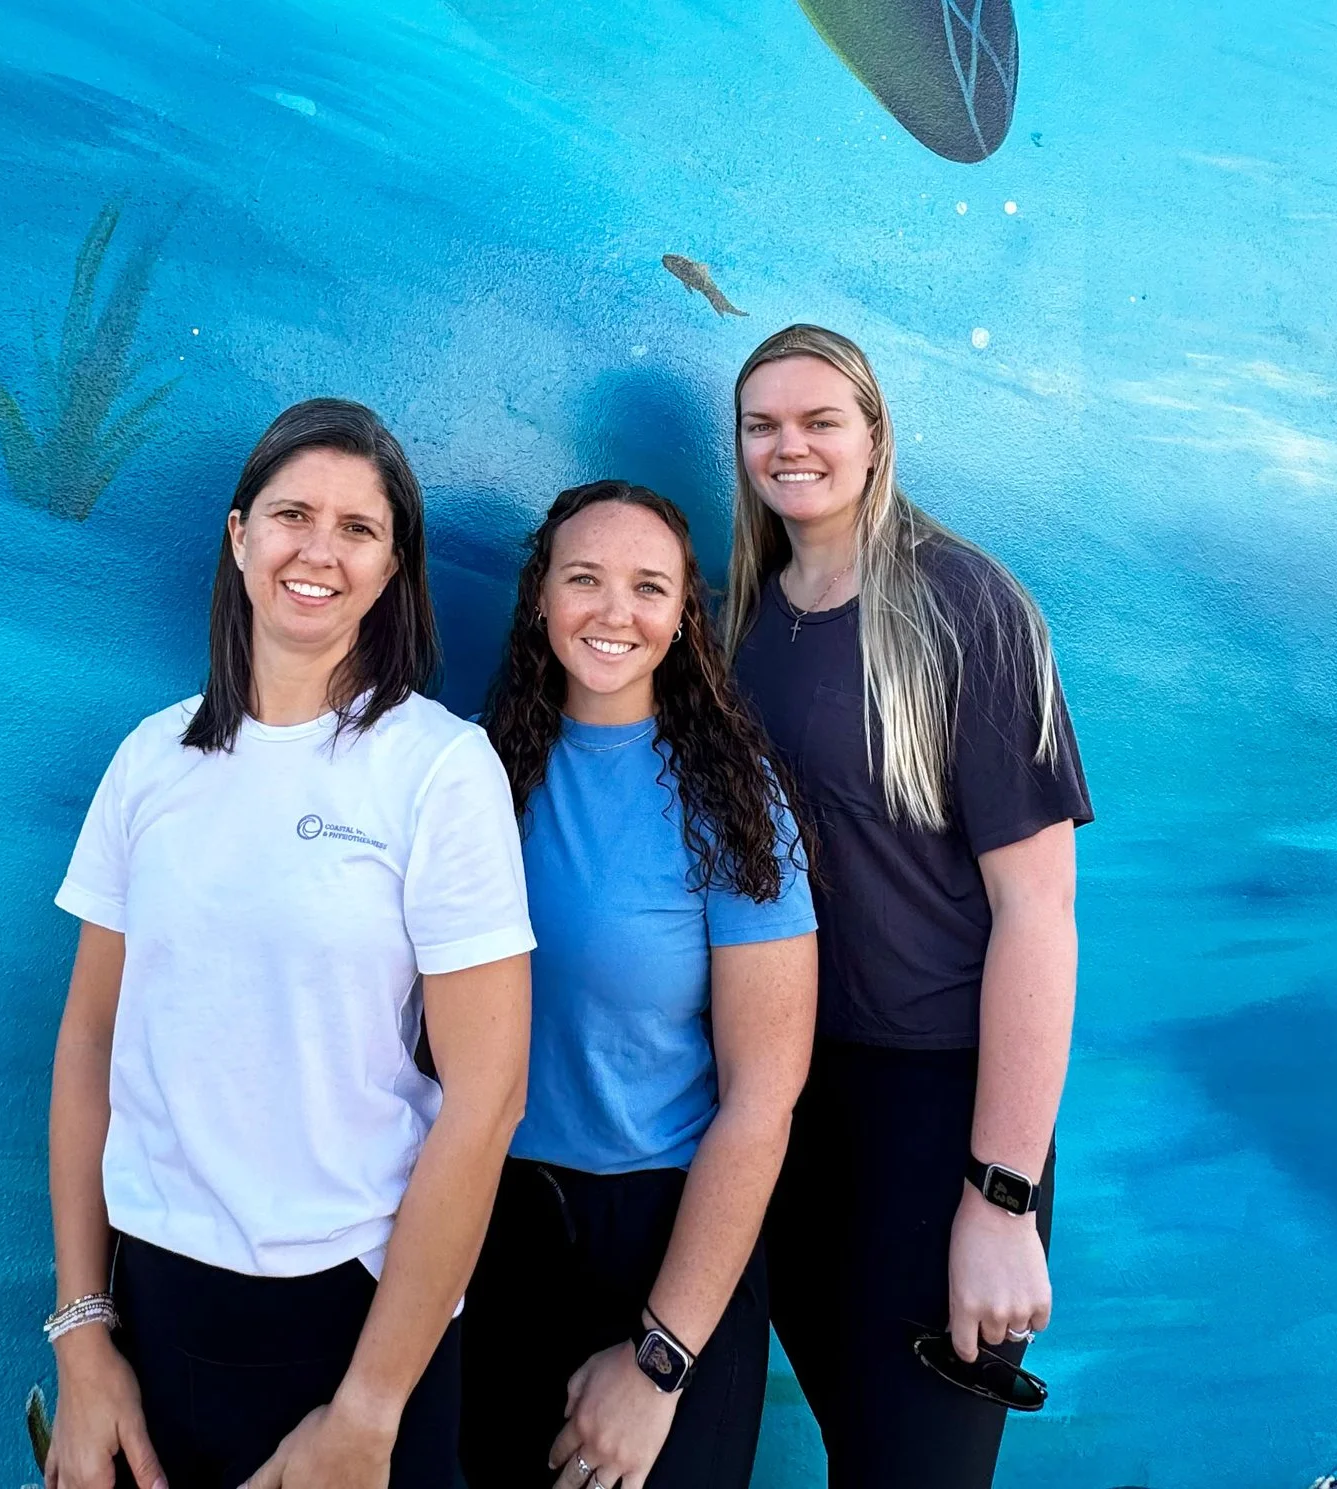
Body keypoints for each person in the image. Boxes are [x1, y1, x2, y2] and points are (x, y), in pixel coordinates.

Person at [40, 398, 534, 1489]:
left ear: (395, 567)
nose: (319, 550)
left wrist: (366, 1410)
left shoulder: (439, 771)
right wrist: (83, 1331)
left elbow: (487, 1097)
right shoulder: (150, 760)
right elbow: (89, 1047)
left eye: (358, 528)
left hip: (353, 1319)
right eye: (292, 514)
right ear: (238, 537)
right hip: (158, 1310)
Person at [722, 326, 1093, 1488]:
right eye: (762, 424)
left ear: (875, 437)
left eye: (820, 419)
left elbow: (1038, 914)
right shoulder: (740, 621)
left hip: (939, 1117)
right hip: (789, 1110)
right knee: (856, 1444)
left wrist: (998, 1198)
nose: (791, 446)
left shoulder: (963, 607)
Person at [465, 480, 818, 1489]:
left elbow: (763, 1097)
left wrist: (660, 1361)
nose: (614, 611)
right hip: (489, 1237)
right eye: (585, 579)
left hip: (666, 1252)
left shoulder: (733, 802)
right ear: (540, 598)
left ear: (680, 620)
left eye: (648, 587)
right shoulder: (469, 775)